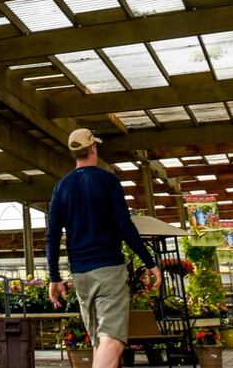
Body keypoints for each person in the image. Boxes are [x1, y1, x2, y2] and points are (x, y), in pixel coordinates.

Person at [47, 128, 162, 368]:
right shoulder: (108, 181)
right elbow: (124, 226)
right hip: (108, 269)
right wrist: (149, 262)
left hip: (81, 276)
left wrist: (54, 277)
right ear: (93, 148)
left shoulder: (61, 188)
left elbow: (53, 236)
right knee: (113, 340)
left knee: (101, 342)